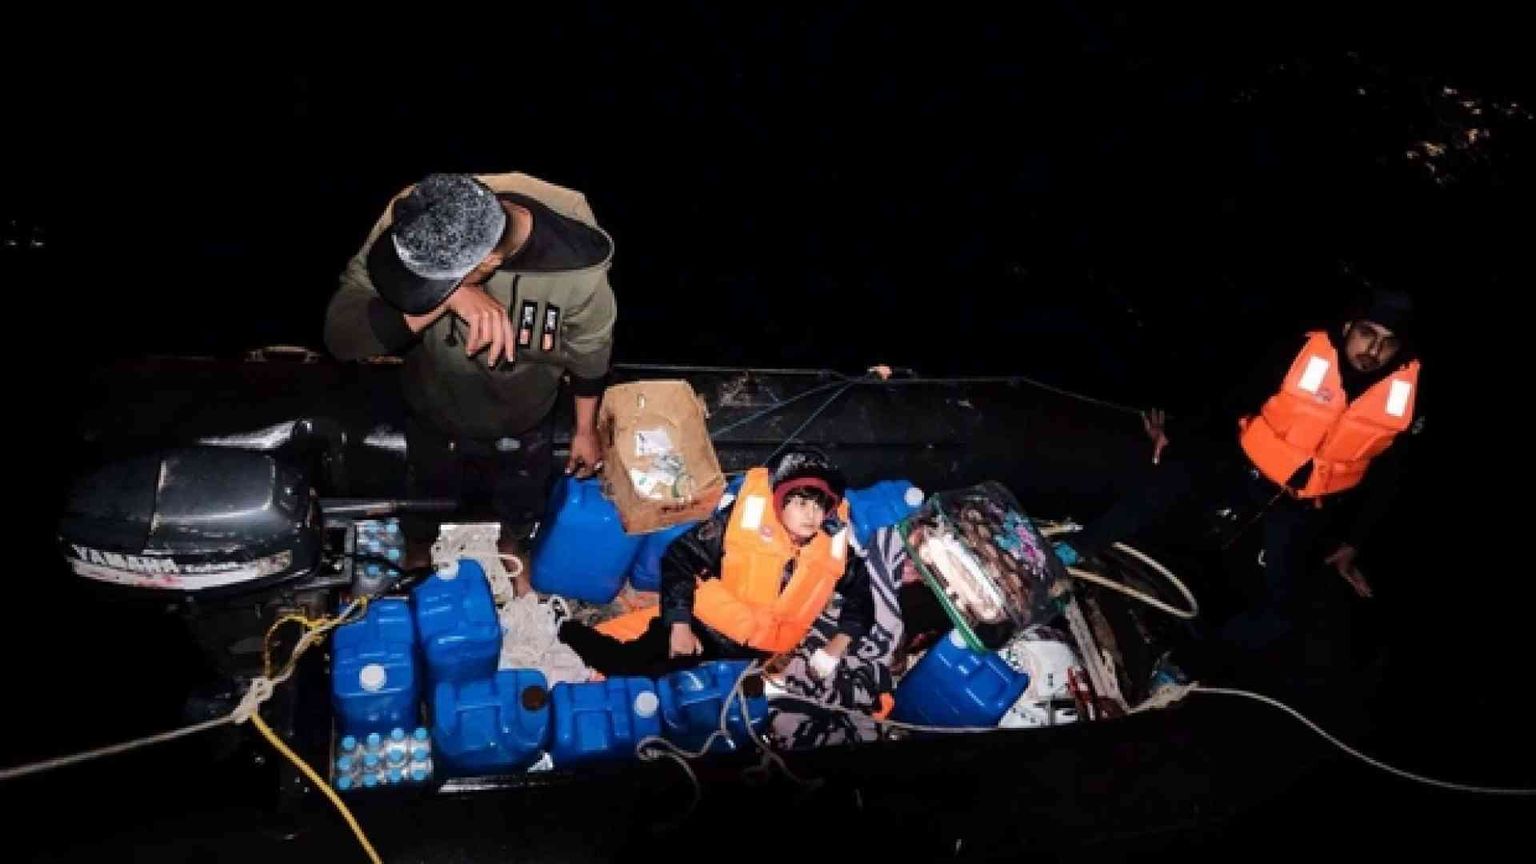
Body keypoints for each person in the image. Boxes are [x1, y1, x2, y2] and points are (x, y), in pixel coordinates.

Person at [1055, 284, 1423, 653]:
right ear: (1348, 328)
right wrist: (1176, 436)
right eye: (1367, 333)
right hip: (1244, 466)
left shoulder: (1405, 395)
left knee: (1285, 610)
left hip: (1301, 504)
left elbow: (1390, 476)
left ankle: (1188, 661)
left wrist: (1353, 543)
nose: (1373, 351)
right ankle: (1071, 550)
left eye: (1387, 343)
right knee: (1167, 483)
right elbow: (1232, 397)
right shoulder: (1301, 351)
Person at [323, 172, 617, 574]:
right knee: (424, 487)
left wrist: (586, 430)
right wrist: (450, 294)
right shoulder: (418, 212)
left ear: (489, 261)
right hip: (432, 402)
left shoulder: (580, 269)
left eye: (433, 281)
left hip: (525, 412)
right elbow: (343, 336)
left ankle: (514, 545)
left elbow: (591, 352)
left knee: (523, 496)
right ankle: (419, 547)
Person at [557, 447, 876, 680]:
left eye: (820, 508)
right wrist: (680, 624)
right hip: (709, 628)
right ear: (780, 503)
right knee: (630, 667)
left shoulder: (834, 550)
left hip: (763, 650)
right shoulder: (734, 527)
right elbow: (679, 557)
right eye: (802, 504)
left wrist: (836, 646)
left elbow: (862, 597)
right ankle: (565, 629)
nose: (812, 516)